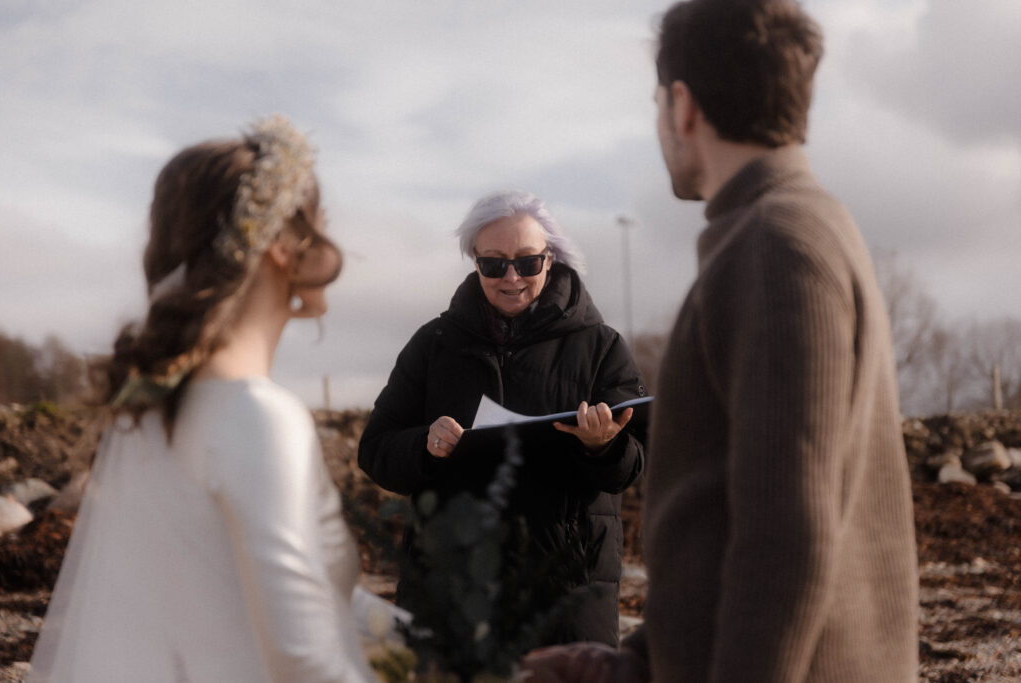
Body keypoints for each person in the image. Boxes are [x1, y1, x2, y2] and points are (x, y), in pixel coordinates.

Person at [524, 0, 919, 681]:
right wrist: (638, 662)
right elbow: (729, 516)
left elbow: (785, 538)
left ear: (683, 107)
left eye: (656, 103)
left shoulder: (777, 247)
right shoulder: (791, 231)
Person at [27, 116, 378, 682]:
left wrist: (437, 645)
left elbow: (256, 586)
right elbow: (302, 659)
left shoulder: (148, 412)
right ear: (282, 248)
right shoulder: (260, 417)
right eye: (319, 222)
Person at [358, 190, 647, 647]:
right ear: (475, 262)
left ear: (549, 259)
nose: (511, 276)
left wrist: (603, 446)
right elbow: (375, 449)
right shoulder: (433, 344)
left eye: (527, 262)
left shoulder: (601, 346)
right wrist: (424, 446)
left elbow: (631, 465)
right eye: (494, 264)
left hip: (566, 596)